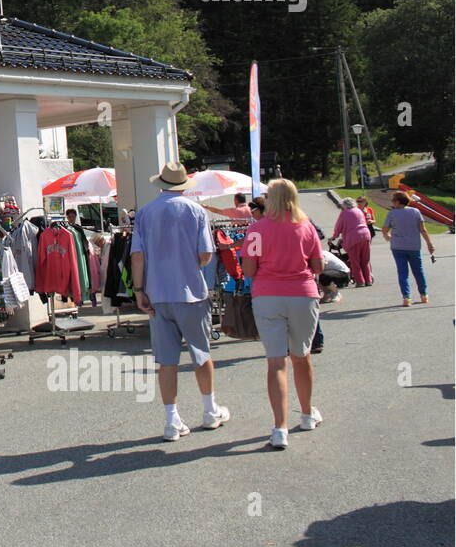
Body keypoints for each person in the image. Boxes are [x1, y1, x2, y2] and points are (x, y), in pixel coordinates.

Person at [130, 162, 227, 441]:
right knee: (201, 353)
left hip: (158, 293)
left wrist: (139, 290)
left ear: (160, 184)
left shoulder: (145, 213)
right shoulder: (196, 211)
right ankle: (209, 410)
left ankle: (172, 419)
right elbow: (206, 254)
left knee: (167, 360)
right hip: (191, 292)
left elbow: (138, 255)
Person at [241, 179, 323, 450]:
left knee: (276, 362)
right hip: (302, 293)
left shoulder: (257, 229)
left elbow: (249, 271)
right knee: (302, 355)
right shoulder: (306, 226)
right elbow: (318, 265)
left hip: (267, 296)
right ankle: (308, 413)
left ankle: (279, 428)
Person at [381, 192, 434, 307]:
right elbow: (423, 230)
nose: (392, 203)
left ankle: (406, 298)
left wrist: (388, 237)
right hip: (414, 246)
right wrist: (429, 244)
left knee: (402, 273)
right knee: (418, 271)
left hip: (398, 246)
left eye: (393, 201)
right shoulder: (415, 212)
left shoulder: (392, 214)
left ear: (398, 202)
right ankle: (424, 295)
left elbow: (384, 230)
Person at [330, 197, 373, 287]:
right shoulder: (358, 211)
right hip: (365, 235)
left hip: (353, 238)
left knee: (355, 261)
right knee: (365, 260)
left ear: (344, 205)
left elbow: (338, 227)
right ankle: (368, 280)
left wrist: (333, 237)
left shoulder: (344, 213)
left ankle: (360, 281)